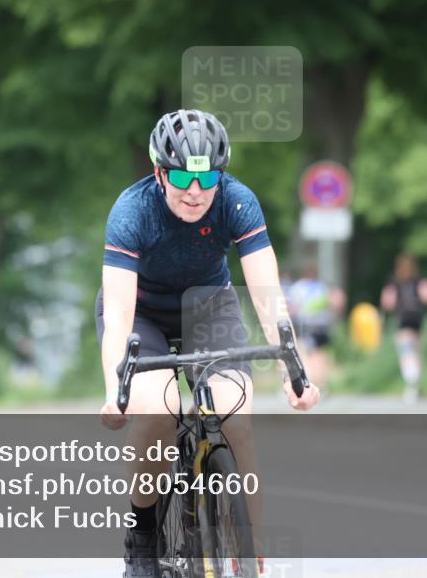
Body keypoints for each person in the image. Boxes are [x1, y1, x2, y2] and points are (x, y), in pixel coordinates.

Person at [96, 109, 320, 577]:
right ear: (159, 172)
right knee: (158, 410)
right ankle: (143, 534)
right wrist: (115, 390)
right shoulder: (132, 211)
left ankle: (249, 538)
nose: (195, 191)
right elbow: (117, 315)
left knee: (235, 416)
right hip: (143, 315)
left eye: (208, 178)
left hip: (209, 307)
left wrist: (293, 370)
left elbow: (267, 295)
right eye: (181, 177)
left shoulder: (237, 202)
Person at [380, 253, 427, 404]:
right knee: (415, 351)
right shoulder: (419, 279)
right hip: (418, 318)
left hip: (404, 318)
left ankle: (411, 383)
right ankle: (416, 383)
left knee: (406, 351)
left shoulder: (394, 281)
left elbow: (387, 302)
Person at [286, 265, 345, 390]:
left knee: (305, 352)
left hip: (306, 324)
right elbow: (336, 302)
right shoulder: (322, 287)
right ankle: (321, 383)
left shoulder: (297, 287)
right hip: (322, 325)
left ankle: (310, 381)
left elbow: (292, 308)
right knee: (319, 354)